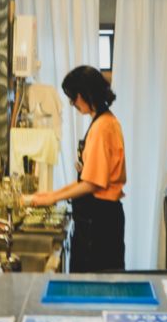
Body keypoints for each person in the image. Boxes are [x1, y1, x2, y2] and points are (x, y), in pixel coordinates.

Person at [24, 65, 126, 272]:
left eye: (73, 97)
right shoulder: (104, 121)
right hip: (100, 217)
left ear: (84, 94)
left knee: (95, 286)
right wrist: (51, 194)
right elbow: (87, 179)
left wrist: (52, 198)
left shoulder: (102, 127)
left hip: (99, 221)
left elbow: (92, 183)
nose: (72, 103)